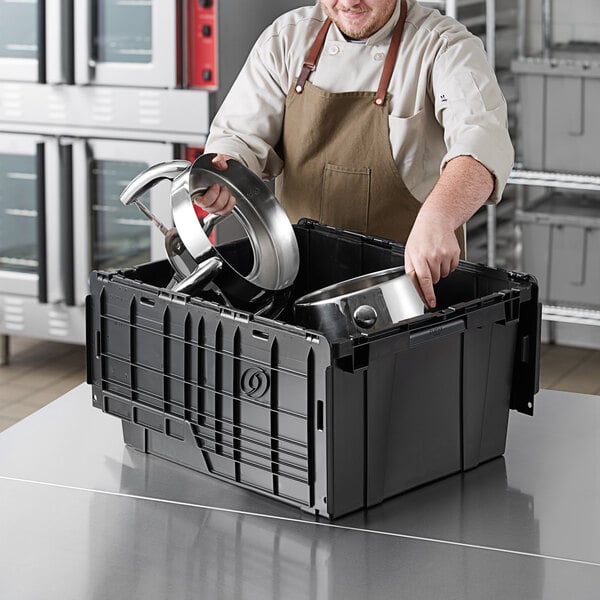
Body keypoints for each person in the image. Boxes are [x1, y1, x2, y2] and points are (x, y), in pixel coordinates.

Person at [198, 0, 514, 309]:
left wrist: (439, 218)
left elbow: (481, 143)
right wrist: (225, 174)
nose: (349, 2)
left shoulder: (444, 46)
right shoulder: (286, 40)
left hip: (407, 292)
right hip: (297, 284)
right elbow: (239, 135)